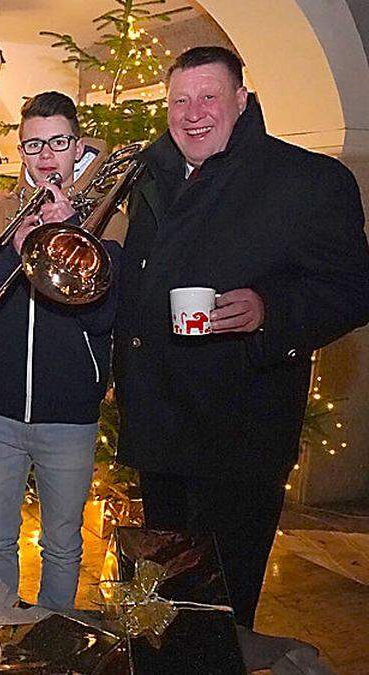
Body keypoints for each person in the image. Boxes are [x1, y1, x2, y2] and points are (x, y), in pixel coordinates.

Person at [113, 46, 369, 627]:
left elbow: (354, 289)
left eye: (209, 96)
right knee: (162, 606)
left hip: (240, 434)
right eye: (180, 100)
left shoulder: (308, 179)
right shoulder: (154, 174)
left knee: (220, 611)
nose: (193, 112)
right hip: (161, 428)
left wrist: (268, 309)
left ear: (241, 100)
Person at [0, 92, 124, 610]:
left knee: (61, 545)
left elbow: (106, 317)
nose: (45, 156)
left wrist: (73, 237)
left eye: (57, 143)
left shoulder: (111, 223)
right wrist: (13, 251)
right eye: (33, 144)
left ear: (76, 146)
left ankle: (52, 642)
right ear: (21, 149)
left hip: (69, 417)